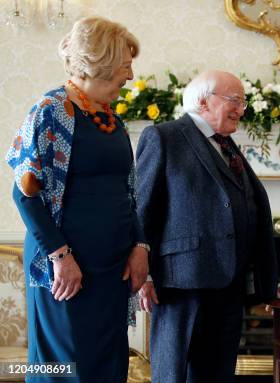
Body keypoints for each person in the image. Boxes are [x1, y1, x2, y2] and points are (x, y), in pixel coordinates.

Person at [5, 17, 148, 382]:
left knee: (108, 366)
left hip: (112, 269)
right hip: (68, 269)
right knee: (66, 370)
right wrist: (60, 255)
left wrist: (140, 245)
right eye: (126, 65)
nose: (130, 76)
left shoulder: (108, 117)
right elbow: (24, 195)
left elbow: (128, 192)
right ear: (103, 60)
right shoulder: (51, 111)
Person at [136, 70, 278, 383]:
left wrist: (265, 280)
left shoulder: (226, 145)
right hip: (181, 285)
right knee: (175, 376)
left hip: (229, 287)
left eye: (243, 102)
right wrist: (142, 273)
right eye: (235, 100)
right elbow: (141, 209)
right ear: (203, 101)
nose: (242, 109)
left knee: (217, 376)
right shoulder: (164, 137)